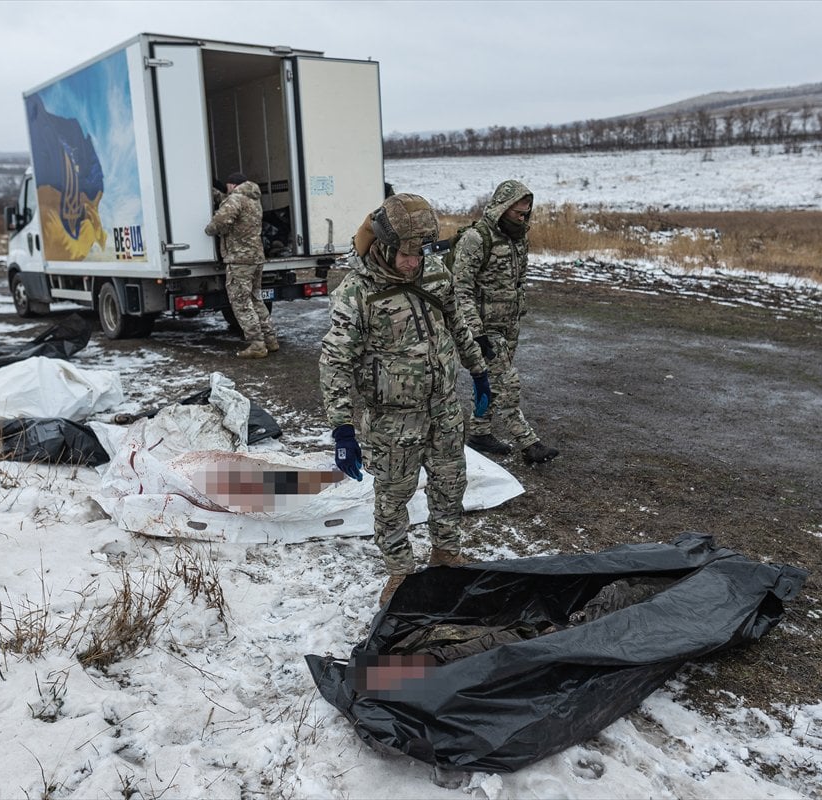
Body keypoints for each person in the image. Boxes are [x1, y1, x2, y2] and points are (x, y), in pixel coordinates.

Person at [320, 193, 492, 607]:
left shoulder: (434, 276)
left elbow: (458, 324)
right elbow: (335, 362)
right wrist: (342, 428)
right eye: (407, 256)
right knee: (394, 497)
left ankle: (446, 552)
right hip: (394, 420)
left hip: (444, 409)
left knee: (451, 484)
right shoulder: (356, 293)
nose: (415, 264)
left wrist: (479, 371)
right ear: (383, 246)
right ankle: (400, 571)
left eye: (421, 254)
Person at [452, 179, 559, 464]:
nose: (523, 219)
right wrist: (475, 332)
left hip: (509, 325)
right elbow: (460, 288)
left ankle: (480, 432)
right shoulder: (476, 239)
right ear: (502, 207)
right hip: (484, 329)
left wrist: (517, 309)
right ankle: (529, 443)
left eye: (527, 214)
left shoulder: (518, 238)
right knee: (508, 382)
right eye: (518, 213)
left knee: (492, 383)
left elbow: (519, 279)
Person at [205, 172, 278, 358]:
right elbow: (229, 202)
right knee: (256, 299)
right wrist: (215, 193)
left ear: (232, 185)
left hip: (239, 260)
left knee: (241, 303)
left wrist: (210, 229)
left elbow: (220, 222)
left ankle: (256, 344)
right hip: (255, 257)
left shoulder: (236, 199)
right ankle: (270, 339)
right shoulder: (253, 199)